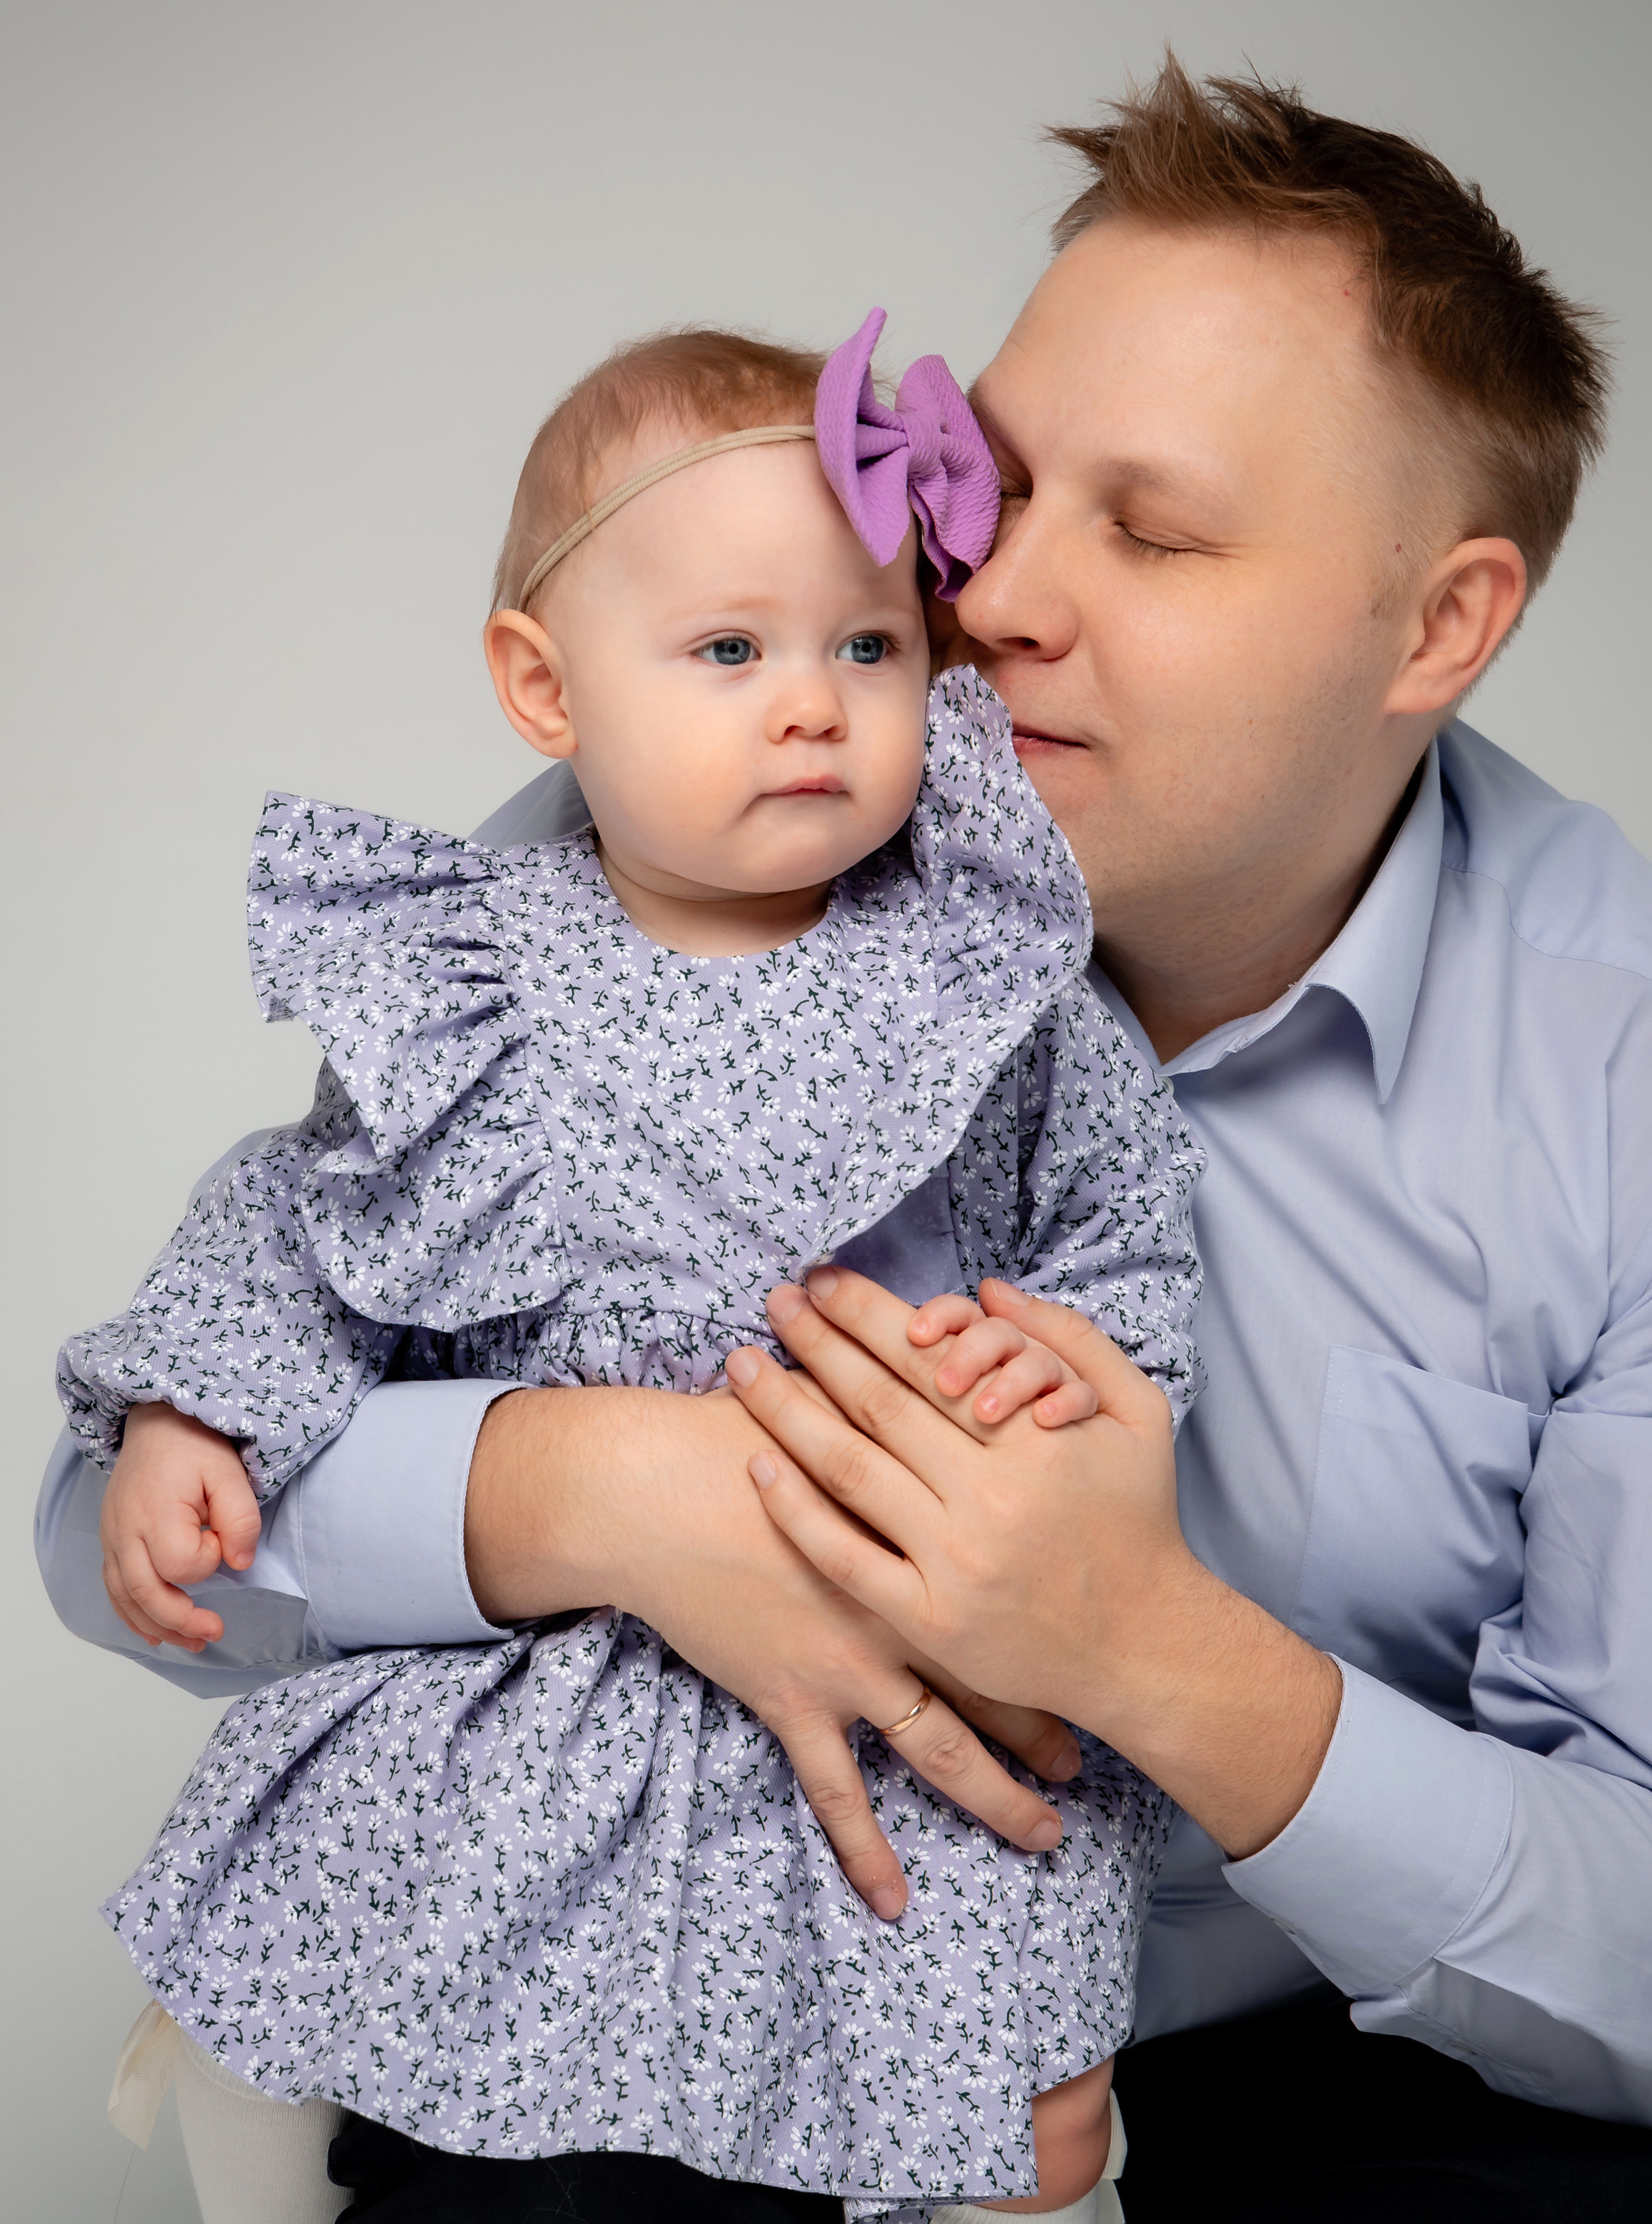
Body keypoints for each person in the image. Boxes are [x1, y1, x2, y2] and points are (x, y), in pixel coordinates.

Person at [37, 56, 1652, 2219]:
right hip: (727, 1967)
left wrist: (1148, 1652)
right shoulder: (718, 855)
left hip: (1353, 2054)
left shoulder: (1610, 1057)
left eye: (1150, 531)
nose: (991, 602)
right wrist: (587, 1491)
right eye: (987, 498)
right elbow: (124, 1529)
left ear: (1437, 624)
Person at [52, 310, 1205, 2223]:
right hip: (555, 1637)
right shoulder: (479, 976)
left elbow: (1114, 1213)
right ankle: (256, 2140)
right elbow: (303, 1212)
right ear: (543, 686)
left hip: (887, 1610)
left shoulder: (979, 970)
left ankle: (1036, 2182)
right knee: (325, 1866)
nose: (813, 703)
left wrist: (1078, 1365)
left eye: (868, 646)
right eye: (731, 650)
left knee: (1005, 1941)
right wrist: (194, 1408)